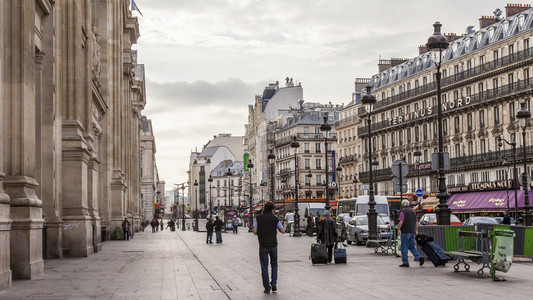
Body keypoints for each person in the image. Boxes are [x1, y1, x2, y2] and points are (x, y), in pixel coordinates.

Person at [254, 201, 285, 294]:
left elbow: (255, 231)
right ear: (272, 209)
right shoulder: (275, 219)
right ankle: (274, 283)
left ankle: (267, 287)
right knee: (274, 264)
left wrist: (260, 231)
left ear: (264, 209)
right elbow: (283, 230)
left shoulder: (258, 218)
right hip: (273, 245)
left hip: (263, 245)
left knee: (264, 266)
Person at [398, 199, 424, 267]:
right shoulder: (413, 211)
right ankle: (419, 257)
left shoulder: (403, 211)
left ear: (403, 205)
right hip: (412, 231)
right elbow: (416, 222)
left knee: (404, 247)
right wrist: (416, 230)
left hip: (405, 231)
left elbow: (401, 221)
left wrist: (398, 229)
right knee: (411, 246)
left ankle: (405, 262)